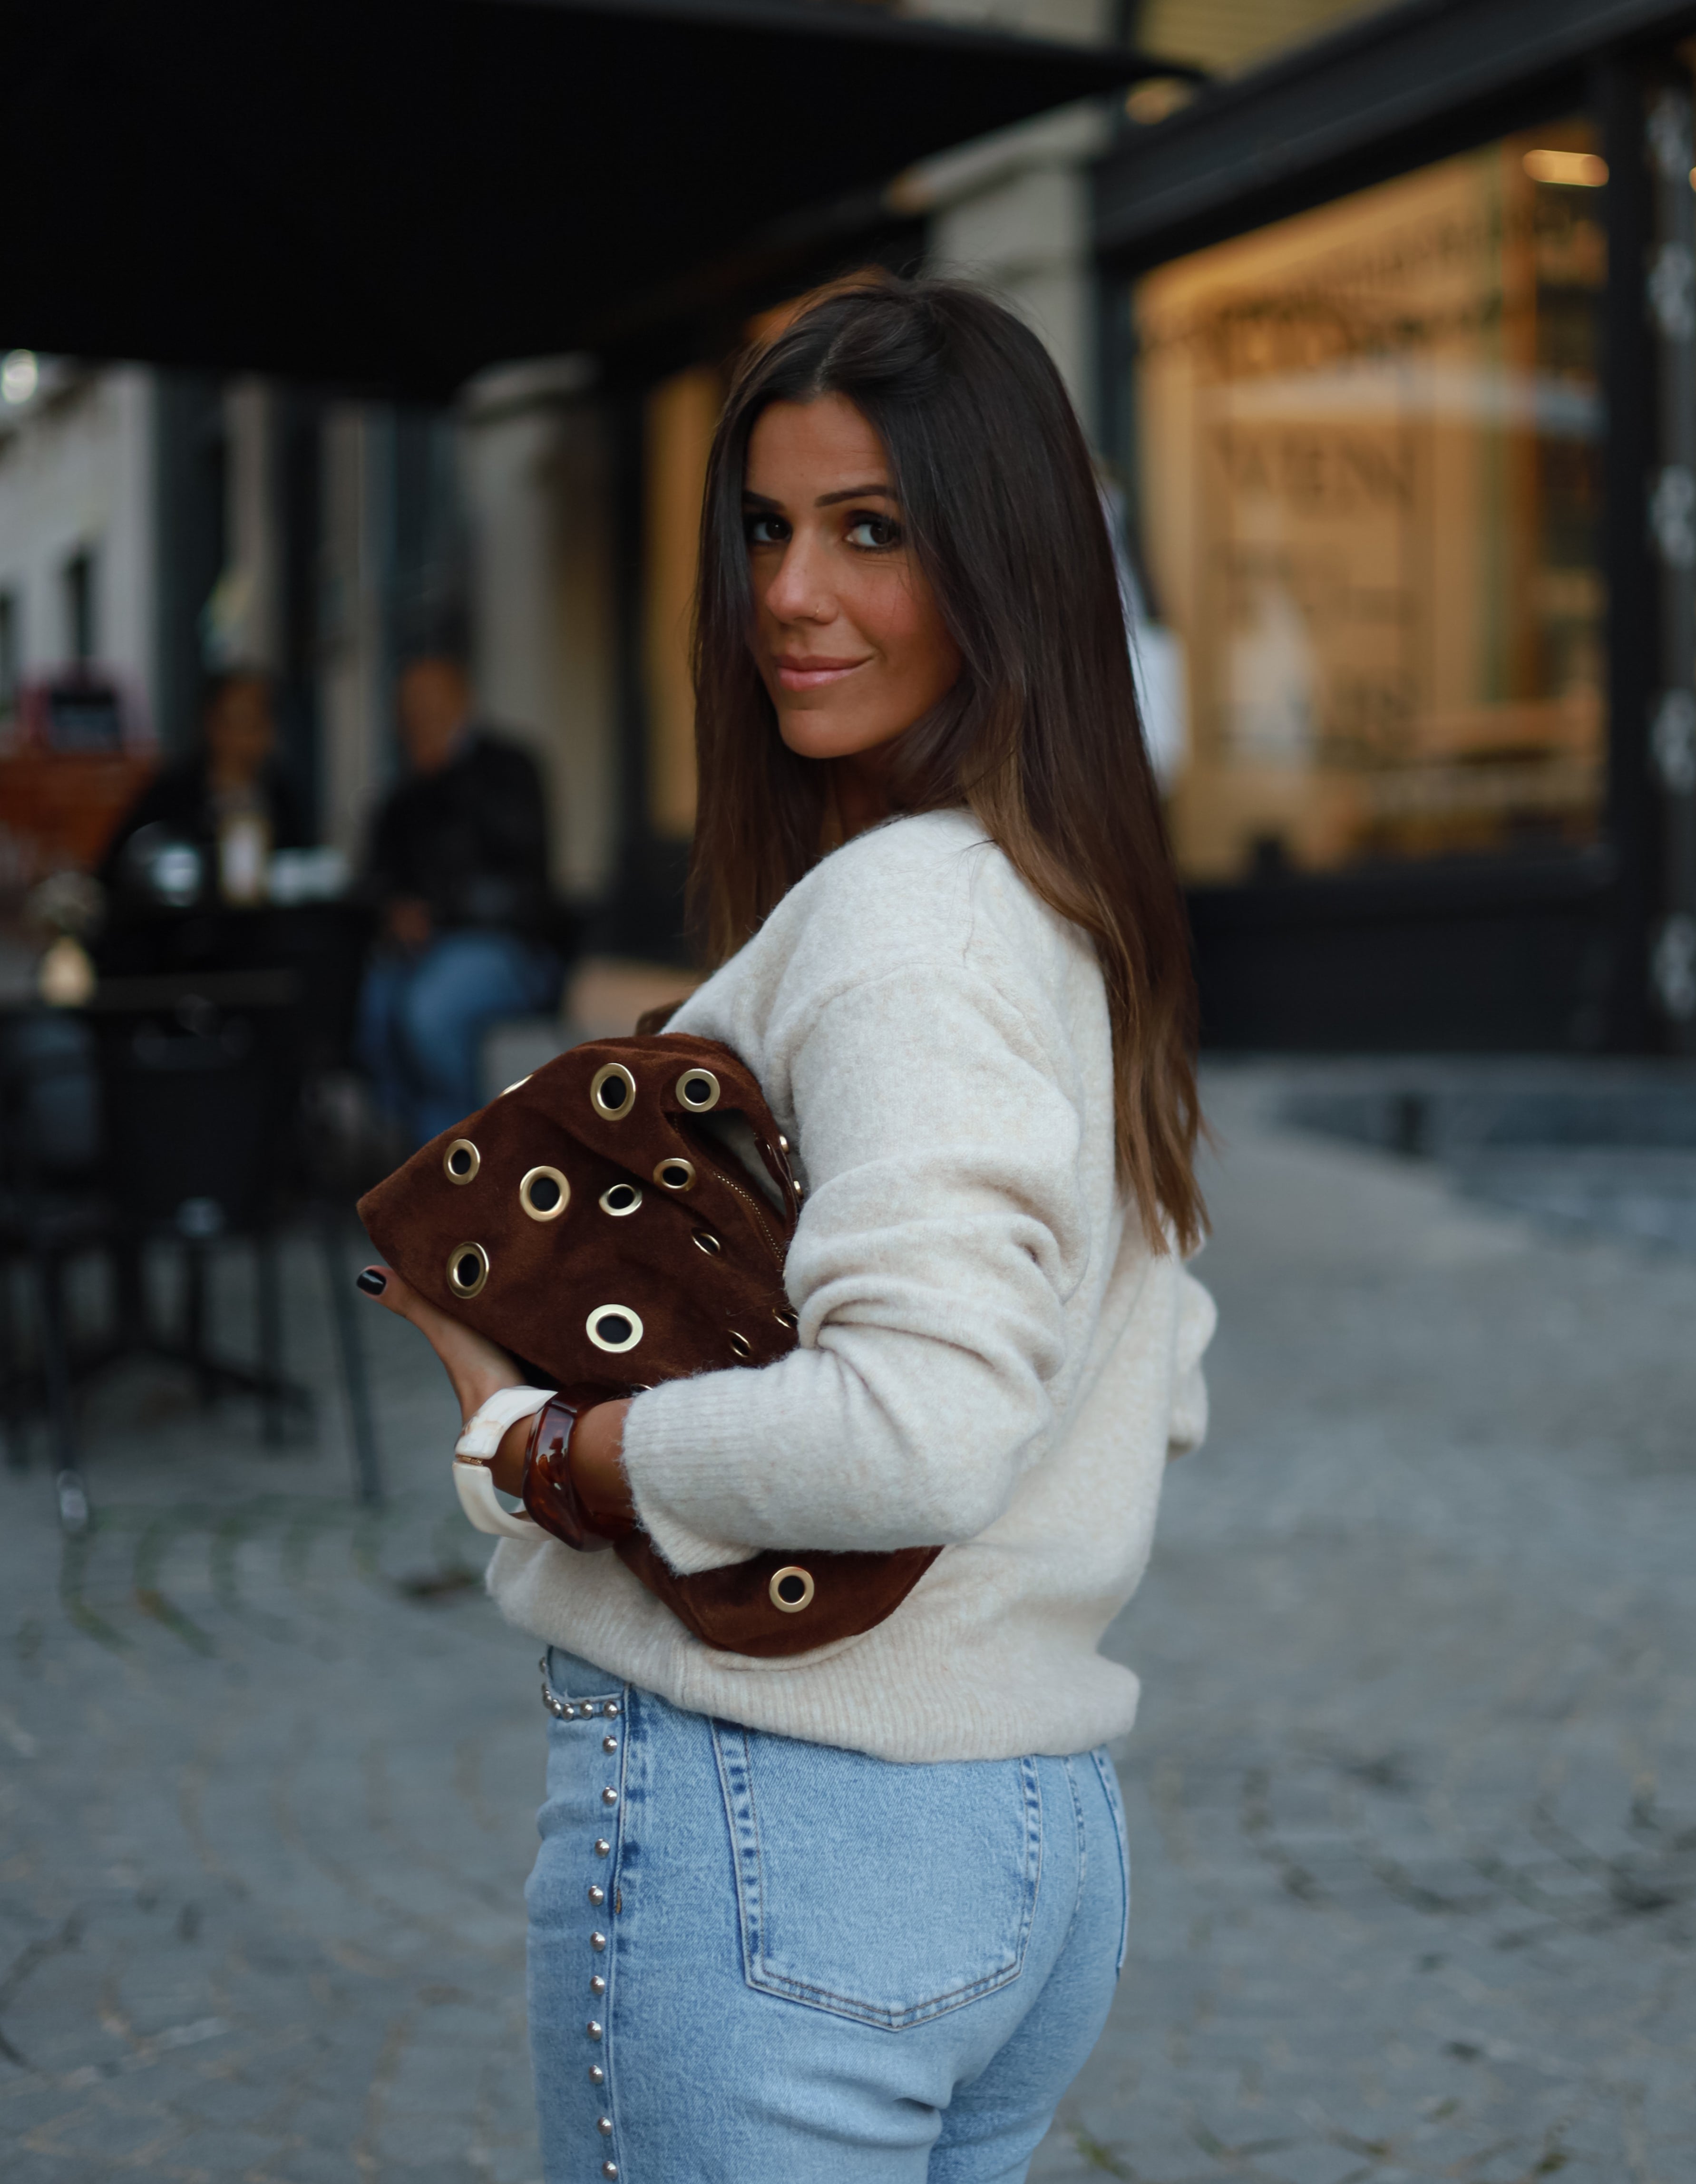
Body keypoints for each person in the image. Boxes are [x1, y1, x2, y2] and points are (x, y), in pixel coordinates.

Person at [359, 279, 1217, 2181]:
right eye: (767, 525)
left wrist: (554, 1447)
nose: (791, 593)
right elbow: (1163, 1368)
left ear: (1000, 565)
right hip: (1018, 1842)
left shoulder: (907, 924)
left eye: (872, 530)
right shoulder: (1064, 910)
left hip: (789, 1829)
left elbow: (925, 1422)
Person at [355, 655, 561, 1145]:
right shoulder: (402, 795)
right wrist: (395, 913)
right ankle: (424, 1144)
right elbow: (375, 880)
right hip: (422, 950)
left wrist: (447, 777)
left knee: (428, 1009)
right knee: (372, 1010)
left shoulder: (508, 768)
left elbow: (521, 862)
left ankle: (464, 1152)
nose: (419, 715)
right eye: (409, 705)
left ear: (461, 701)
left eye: (430, 701)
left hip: (505, 945)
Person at [100, 668, 307, 908]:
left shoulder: (282, 798)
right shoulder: (171, 794)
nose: (251, 736)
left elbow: (302, 873)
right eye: (240, 721)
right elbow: (118, 870)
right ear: (211, 723)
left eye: (260, 720)